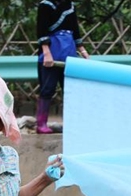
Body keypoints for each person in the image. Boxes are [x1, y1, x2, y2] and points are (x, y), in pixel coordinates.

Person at [36, 0, 90, 134]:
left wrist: (82, 50)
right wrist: (47, 52)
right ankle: (41, 123)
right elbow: (41, 29)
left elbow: (75, 30)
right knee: (47, 88)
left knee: (70, 88)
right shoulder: (45, 5)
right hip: (52, 49)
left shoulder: (69, 5)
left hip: (68, 50)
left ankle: (73, 123)